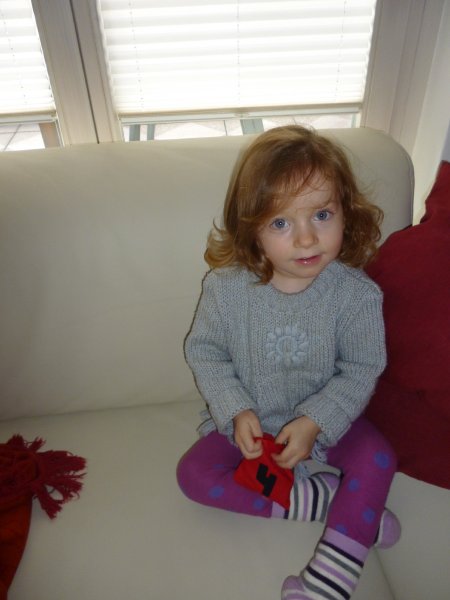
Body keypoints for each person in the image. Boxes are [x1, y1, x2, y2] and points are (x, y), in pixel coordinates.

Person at [177, 125, 400, 600]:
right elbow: (205, 351)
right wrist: (236, 409)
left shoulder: (356, 296)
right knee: (192, 475)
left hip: (328, 426)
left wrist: (315, 422)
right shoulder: (226, 289)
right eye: (280, 223)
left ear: (346, 212)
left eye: (322, 214)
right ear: (252, 230)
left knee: (379, 457)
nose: (306, 238)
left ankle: (328, 585)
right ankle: (341, 509)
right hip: (253, 427)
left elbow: (362, 369)